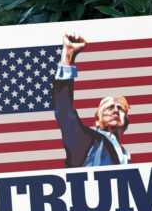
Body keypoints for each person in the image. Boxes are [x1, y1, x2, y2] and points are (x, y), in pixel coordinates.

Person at [52, 34, 131, 167]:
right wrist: (67, 58)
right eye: (109, 107)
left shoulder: (124, 154)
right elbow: (64, 109)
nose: (115, 110)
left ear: (126, 121)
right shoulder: (85, 140)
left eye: (121, 108)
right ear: (96, 119)